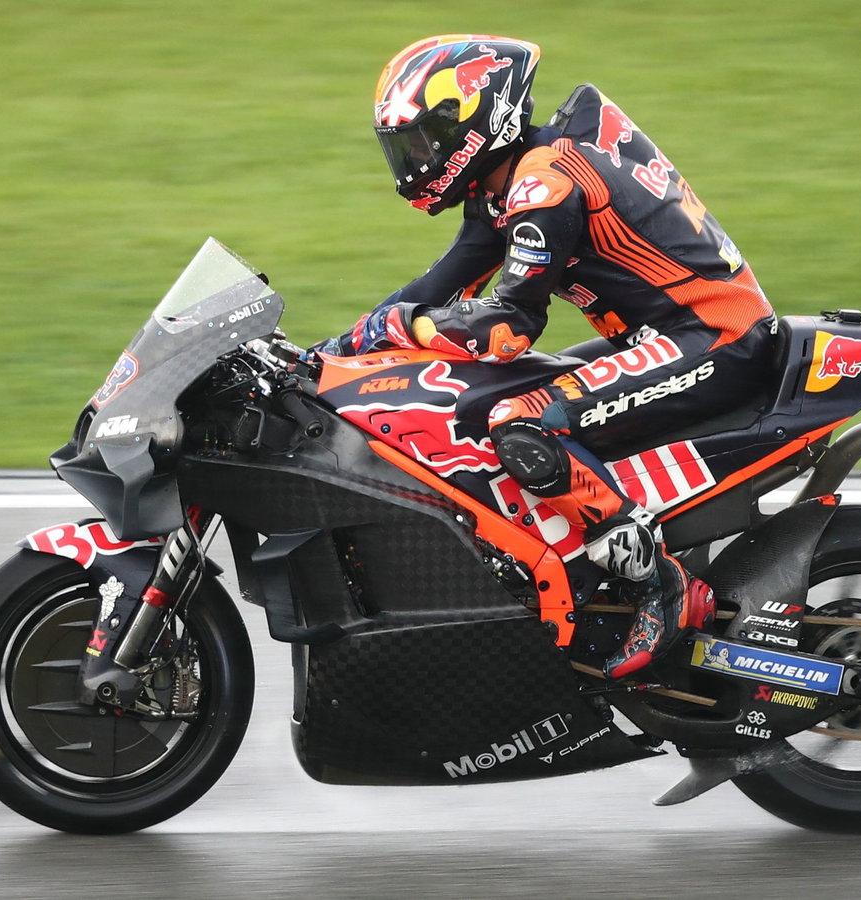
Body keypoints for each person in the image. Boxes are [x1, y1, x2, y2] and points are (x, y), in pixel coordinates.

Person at [310, 34, 778, 678]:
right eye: (406, 146)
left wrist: (406, 326)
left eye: (422, 141)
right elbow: (439, 287)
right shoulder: (504, 183)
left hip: (714, 337)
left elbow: (507, 327)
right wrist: (329, 352)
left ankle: (658, 584)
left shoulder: (545, 183)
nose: (414, 160)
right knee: (480, 404)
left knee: (520, 421)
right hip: (663, 336)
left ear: (476, 120)